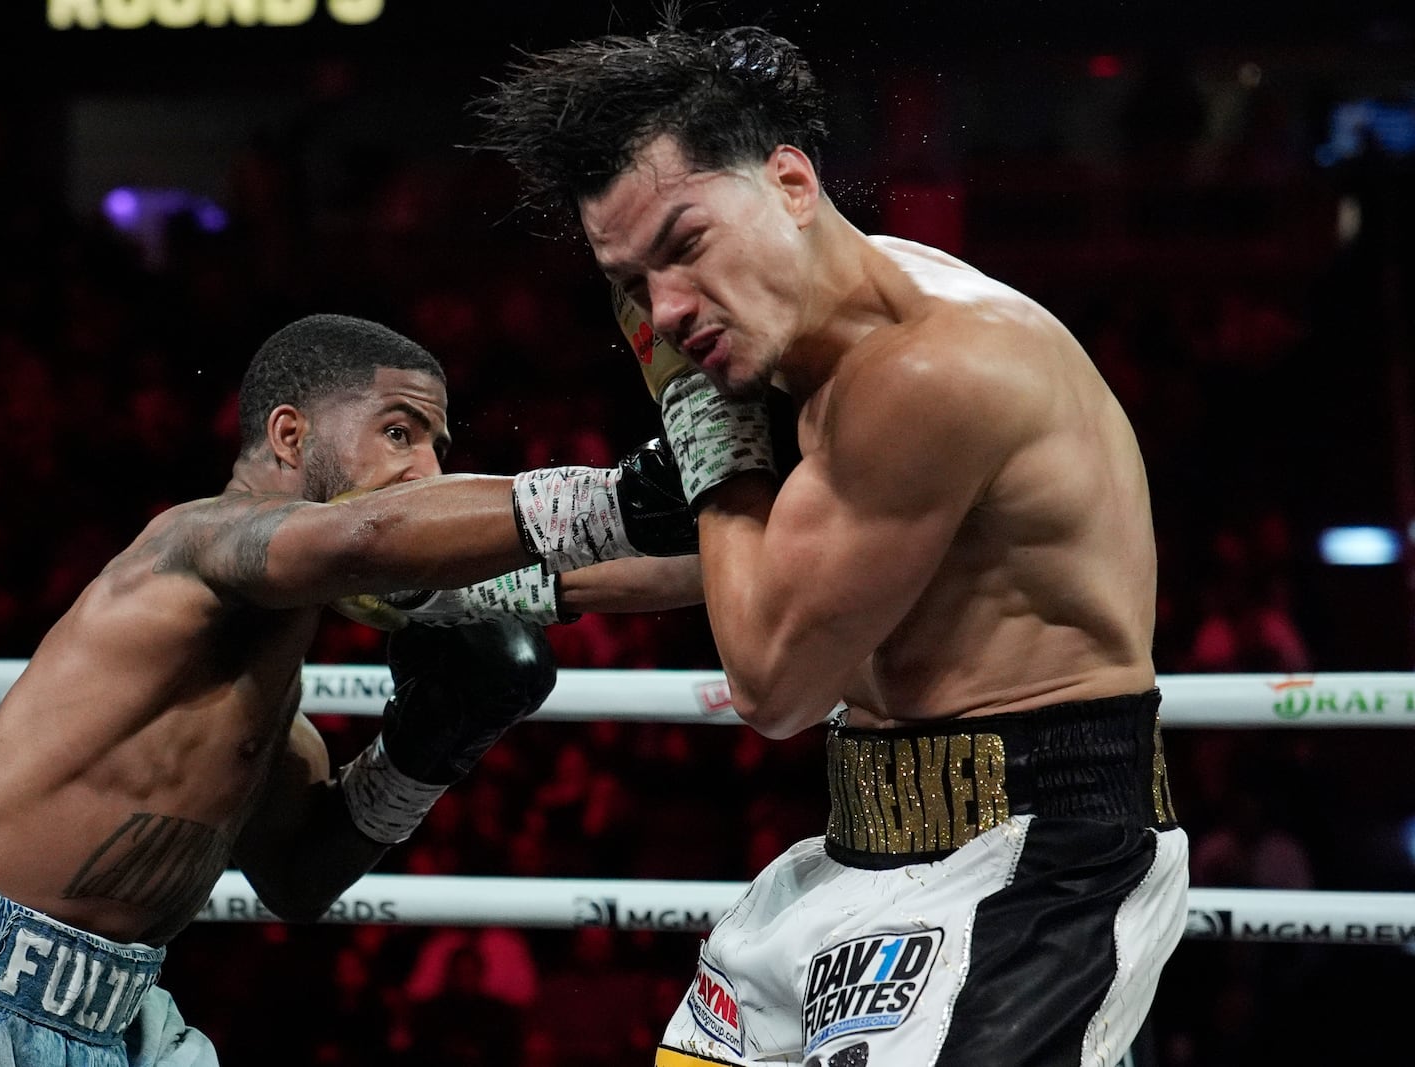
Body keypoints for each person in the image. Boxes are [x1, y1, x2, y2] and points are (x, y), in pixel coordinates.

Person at [477, 21, 1189, 1067]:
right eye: (632, 282)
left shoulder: (926, 370)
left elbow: (771, 683)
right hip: (862, 843)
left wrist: (701, 421)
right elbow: (784, 570)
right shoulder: (803, 339)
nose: (666, 313)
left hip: (1038, 862)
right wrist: (494, 594)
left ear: (792, 181)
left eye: (684, 244)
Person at [0, 313, 703, 1065]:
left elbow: (295, 878)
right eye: (400, 432)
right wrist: (629, 489)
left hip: (108, 1015)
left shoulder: (269, 681)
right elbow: (362, 538)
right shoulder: (197, 541)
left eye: (437, 444)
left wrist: (420, 753)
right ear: (290, 435)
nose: (427, 468)